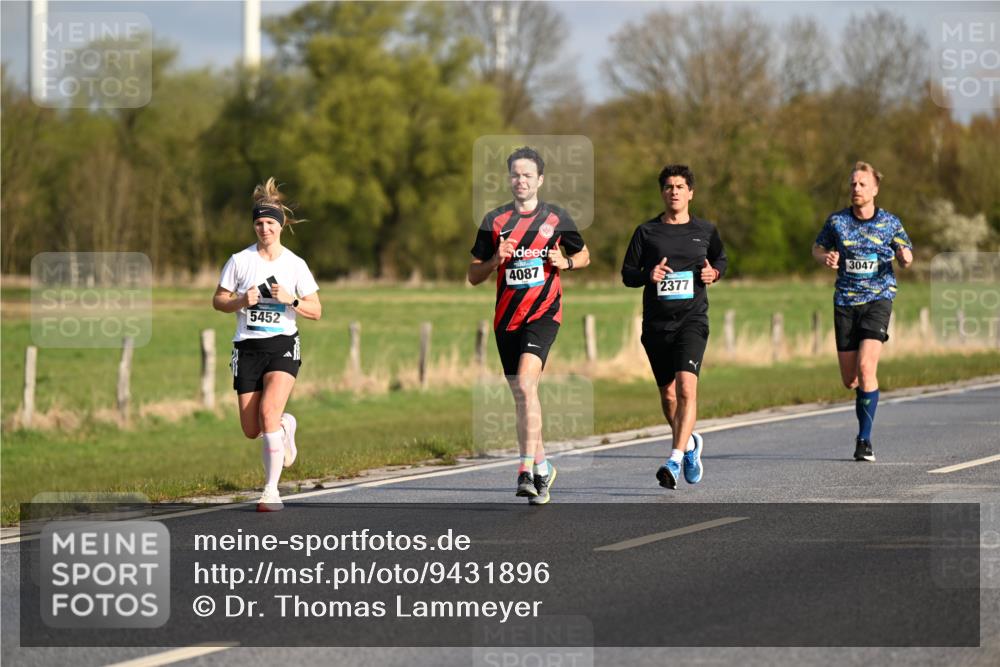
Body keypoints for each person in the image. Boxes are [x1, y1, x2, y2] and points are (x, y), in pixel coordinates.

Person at [468, 146, 590, 505]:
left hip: (544, 314)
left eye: (527, 175)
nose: (520, 180)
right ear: (509, 180)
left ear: (539, 180)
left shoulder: (556, 217)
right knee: (524, 394)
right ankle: (542, 465)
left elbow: (585, 255)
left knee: (524, 382)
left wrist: (565, 262)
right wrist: (495, 260)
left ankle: (523, 470)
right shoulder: (494, 221)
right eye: (515, 175)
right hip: (506, 320)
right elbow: (473, 275)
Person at [212, 178, 322, 511]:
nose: (264, 228)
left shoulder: (295, 264)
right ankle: (285, 426)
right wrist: (239, 301)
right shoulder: (239, 261)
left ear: (280, 225)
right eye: (259, 222)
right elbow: (218, 300)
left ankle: (271, 491)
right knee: (251, 428)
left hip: (282, 345)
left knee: (268, 412)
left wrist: (292, 300)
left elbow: (316, 311)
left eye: (270, 222)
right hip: (247, 348)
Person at [621, 164, 727, 489]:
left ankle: (675, 459)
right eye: (669, 186)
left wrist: (715, 274)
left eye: (680, 186)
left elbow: (720, 260)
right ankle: (692, 444)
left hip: (692, 321)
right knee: (669, 397)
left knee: (686, 389)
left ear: (691, 192)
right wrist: (647, 275)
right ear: (662, 192)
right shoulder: (646, 232)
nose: (674, 191)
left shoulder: (706, 231)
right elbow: (628, 273)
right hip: (656, 325)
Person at [812, 161, 913, 462]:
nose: (856, 188)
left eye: (862, 184)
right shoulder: (837, 222)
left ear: (875, 189)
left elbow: (907, 255)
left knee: (867, 369)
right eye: (853, 184)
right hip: (845, 302)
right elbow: (816, 248)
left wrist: (903, 256)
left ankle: (864, 440)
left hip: (878, 300)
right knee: (850, 379)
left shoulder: (890, 223)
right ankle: (862, 399)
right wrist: (825, 257)